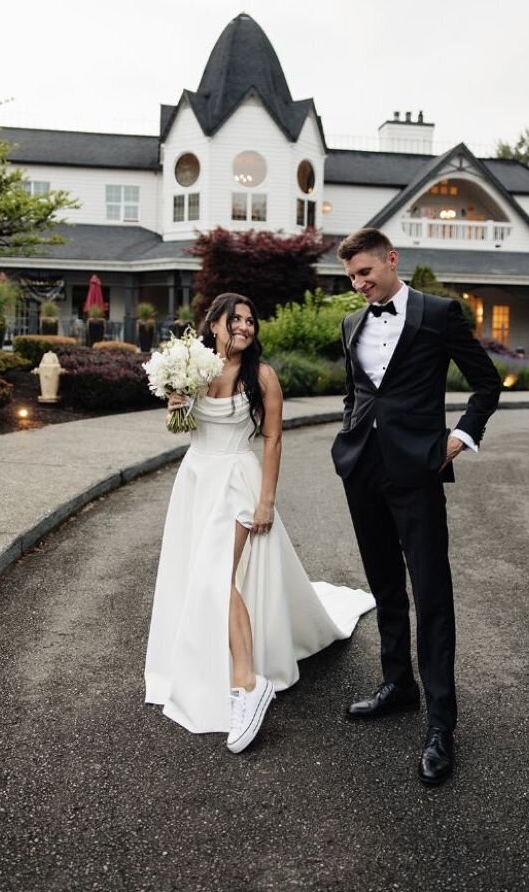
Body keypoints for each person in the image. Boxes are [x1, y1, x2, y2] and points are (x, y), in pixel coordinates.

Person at [145, 292, 374, 753]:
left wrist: (266, 501)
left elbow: (272, 442)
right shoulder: (195, 368)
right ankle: (228, 669)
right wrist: (176, 404)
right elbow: (187, 429)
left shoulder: (263, 377)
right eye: (236, 320)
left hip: (236, 482)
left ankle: (248, 685)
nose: (245, 327)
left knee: (215, 576)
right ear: (213, 325)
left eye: (251, 321)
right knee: (207, 576)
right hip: (195, 479)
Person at [331, 229, 501, 786]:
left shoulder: (438, 314)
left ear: (391, 259)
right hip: (363, 470)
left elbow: (486, 384)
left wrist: (459, 438)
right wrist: (348, 438)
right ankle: (397, 686)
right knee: (384, 586)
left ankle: (441, 725)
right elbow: (357, 391)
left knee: (431, 595)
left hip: (419, 471)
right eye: (351, 277)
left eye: (365, 273)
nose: (358, 285)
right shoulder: (351, 323)